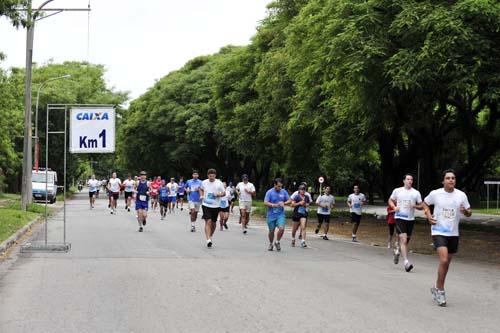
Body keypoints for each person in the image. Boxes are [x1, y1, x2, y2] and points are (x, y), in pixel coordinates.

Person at [423, 169, 471, 307]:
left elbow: (469, 212)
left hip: (453, 233)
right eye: (448, 178)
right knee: (443, 259)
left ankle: (436, 288)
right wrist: (428, 215)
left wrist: (466, 211)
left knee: (446, 264)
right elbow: (424, 204)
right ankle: (441, 290)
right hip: (438, 230)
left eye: (453, 178)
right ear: (443, 181)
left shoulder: (461, 195)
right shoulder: (436, 194)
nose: (451, 180)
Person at [388, 174, 423, 272]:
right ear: (404, 181)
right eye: (408, 179)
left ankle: (398, 250)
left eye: (411, 179)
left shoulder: (416, 193)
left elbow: (422, 205)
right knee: (403, 240)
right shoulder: (397, 191)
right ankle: (406, 263)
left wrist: (415, 206)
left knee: (406, 242)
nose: (410, 181)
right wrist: (394, 207)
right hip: (399, 218)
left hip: (410, 220)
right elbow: (390, 200)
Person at [200, 169, 225, 248]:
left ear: (215, 175)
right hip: (206, 205)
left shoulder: (219, 183)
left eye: (213, 176)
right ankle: (208, 240)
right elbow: (201, 189)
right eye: (210, 176)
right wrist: (201, 195)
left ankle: (210, 236)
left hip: (216, 206)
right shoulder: (204, 182)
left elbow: (224, 193)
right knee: (208, 221)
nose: (211, 177)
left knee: (213, 223)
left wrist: (219, 195)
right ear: (208, 176)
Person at [264, 178, 291, 251]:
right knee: (271, 231)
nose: (280, 188)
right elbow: (265, 202)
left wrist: (284, 203)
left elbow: (289, 200)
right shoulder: (269, 192)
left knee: (281, 228)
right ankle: (270, 244)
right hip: (271, 215)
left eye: (281, 186)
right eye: (278, 186)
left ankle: (277, 242)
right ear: (274, 185)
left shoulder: (283, 192)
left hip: (280, 214)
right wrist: (273, 205)